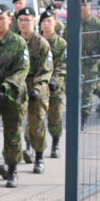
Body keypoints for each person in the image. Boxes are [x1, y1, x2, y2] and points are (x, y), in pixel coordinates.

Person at [0, 4, 30, 188]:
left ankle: (12, 171)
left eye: (2, 18)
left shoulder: (18, 42)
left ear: (9, 20)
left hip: (13, 96)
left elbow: (23, 69)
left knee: (12, 136)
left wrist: (5, 86)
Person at [17, 7, 52, 173]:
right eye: (21, 20)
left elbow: (46, 69)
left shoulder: (41, 44)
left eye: (27, 20)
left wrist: (37, 88)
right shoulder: (15, 41)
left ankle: (39, 157)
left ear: (34, 21)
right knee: (14, 124)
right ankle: (17, 156)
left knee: (36, 123)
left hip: (37, 87)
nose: (24, 23)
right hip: (19, 86)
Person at [78, 0, 100, 129]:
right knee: (87, 87)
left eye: (86, 5)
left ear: (90, 6)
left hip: (92, 62)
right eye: (81, 5)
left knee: (87, 91)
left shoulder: (98, 24)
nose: (83, 8)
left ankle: (83, 118)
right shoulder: (74, 23)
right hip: (78, 61)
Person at [40, 10, 67, 155]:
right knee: (35, 118)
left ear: (55, 23)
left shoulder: (61, 43)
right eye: (43, 21)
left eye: (49, 21)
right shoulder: (36, 41)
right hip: (38, 86)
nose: (46, 24)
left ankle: (55, 144)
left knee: (55, 117)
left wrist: (54, 81)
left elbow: (63, 64)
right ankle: (30, 146)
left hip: (56, 87)